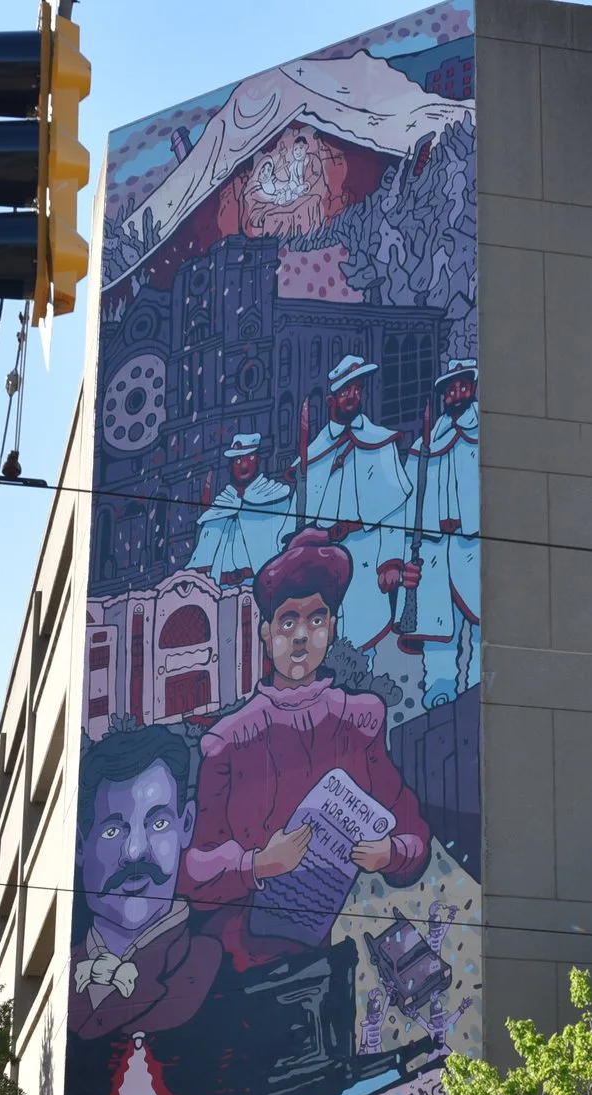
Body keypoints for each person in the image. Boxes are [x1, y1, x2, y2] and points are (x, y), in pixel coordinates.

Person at [181, 530, 432, 968]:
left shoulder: (359, 720)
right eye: (288, 621)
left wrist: (391, 853)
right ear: (266, 631)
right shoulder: (229, 741)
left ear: (333, 627)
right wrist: (256, 865)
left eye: (316, 620)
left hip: (343, 949)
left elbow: (413, 832)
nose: (302, 636)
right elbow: (194, 871)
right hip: (249, 962)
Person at [71, 723, 222, 1040]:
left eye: (159, 823)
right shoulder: (58, 973)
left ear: (187, 824)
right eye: (113, 830)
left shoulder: (213, 967)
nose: (135, 851)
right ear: (81, 845)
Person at [301, 354, 422, 714]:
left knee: (368, 652)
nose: (353, 395)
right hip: (323, 568)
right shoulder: (313, 454)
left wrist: (391, 561)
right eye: (345, 389)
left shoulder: (380, 443)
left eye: (357, 388)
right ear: (331, 400)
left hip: (366, 558)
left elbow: (394, 511)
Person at [410, 359, 480, 702]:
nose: (457, 394)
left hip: (474, 545)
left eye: (462, 386)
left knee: (482, 624)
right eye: (450, 389)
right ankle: (439, 694)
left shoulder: (485, 433)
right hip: (435, 551)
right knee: (439, 631)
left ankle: (478, 688)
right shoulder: (429, 440)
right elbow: (411, 497)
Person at [189, 434, 295, 582]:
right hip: (220, 593)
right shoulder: (218, 510)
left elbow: (290, 551)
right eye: (238, 460)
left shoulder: (276, 501)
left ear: (258, 460)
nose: (244, 465)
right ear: (231, 466)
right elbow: (198, 563)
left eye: (249, 458)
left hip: (262, 590)